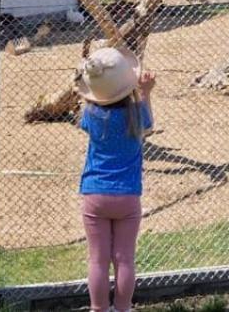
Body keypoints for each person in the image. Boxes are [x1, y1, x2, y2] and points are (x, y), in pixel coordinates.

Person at [75, 45, 156, 312]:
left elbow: (86, 102)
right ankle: (123, 308)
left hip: (95, 195)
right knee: (124, 260)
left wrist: (88, 81)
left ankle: (98, 308)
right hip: (128, 196)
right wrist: (145, 93)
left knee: (98, 260)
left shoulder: (90, 115)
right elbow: (149, 125)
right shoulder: (136, 115)